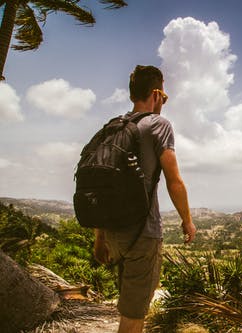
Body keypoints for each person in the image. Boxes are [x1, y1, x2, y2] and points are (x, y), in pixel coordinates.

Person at [93, 65, 196, 333]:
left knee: (127, 307)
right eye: (164, 95)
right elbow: (174, 180)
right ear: (156, 93)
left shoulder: (113, 127)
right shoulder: (159, 125)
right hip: (144, 233)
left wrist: (100, 238)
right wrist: (187, 220)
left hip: (114, 233)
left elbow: (102, 187)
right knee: (134, 316)